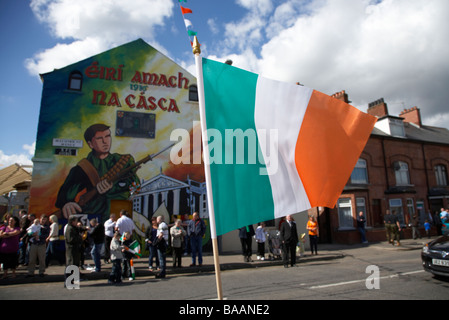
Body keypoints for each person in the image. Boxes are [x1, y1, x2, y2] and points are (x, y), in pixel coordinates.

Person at [55, 123, 140, 221]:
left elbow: (136, 186)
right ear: (90, 144)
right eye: (99, 138)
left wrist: (114, 188)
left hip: (119, 215)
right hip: (93, 216)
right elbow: (65, 193)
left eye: (107, 136)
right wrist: (67, 203)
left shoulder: (124, 161)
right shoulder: (82, 168)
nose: (105, 141)